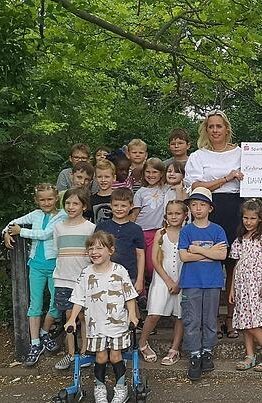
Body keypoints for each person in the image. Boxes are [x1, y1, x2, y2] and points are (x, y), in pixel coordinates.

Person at [185, 110, 243, 339]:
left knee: (233, 267)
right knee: (209, 264)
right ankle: (212, 319)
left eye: (219, 126)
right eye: (211, 127)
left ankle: (231, 318)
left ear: (227, 129)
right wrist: (227, 178)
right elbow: (197, 186)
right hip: (208, 210)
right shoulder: (198, 156)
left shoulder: (242, 152)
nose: (215, 130)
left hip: (236, 208)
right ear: (206, 130)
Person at [65, 231, 139, 403]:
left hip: (117, 323)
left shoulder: (119, 271)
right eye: (91, 248)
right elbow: (78, 298)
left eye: (99, 247)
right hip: (95, 325)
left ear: (110, 250)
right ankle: (100, 389)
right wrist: (72, 319)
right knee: (100, 356)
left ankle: (121, 388)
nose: (94, 251)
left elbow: (129, 295)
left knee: (115, 356)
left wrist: (133, 315)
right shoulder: (86, 273)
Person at [2, 183, 67, 366]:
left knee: (57, 303)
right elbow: (12, 223)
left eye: (50, 199)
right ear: (36, 201)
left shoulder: (61, 215)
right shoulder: (36, 215)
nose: (46, 203)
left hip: (55, 265)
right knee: (35, 304)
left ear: (56, 199)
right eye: (42, 200)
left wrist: (21, 231)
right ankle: (35, 343)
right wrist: (6, 232)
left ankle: (45, 332)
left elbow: (46, 234)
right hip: (36, 266)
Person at [178, 187, 229, 381]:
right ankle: (194, 354)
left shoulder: (217, 230)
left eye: (202, 205)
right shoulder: (187, 230)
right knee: (192, 319)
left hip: (212, 281)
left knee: (209, 318)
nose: (198, 209)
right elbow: (184, 256)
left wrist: (195, 249)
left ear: (210, 208)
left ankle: (207, 351)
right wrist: (209, 252)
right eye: (194, 205)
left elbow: (222, 255)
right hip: (191, 281)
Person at [231, 199, 262, 372]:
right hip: (242, 287)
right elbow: (237, 265)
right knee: (245, 322)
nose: (248, 222)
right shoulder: (240, 239)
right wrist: (232, 289)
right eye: (245, 218)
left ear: (260, 218)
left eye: (252, 218)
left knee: (254, 323)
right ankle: (250, 355)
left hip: (258, 285)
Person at [138, 200, 187, 366]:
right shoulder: (161, 233)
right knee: (154, 313)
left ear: (185, 215)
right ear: (166, 215)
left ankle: (174, 349)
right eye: (171, 213)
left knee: (179, 316)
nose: (174, 216)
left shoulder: (187, 233)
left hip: (181, 279)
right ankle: (143, 343)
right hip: (162, 279)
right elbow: (155, 260)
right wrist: (168, 281)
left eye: (178, 213)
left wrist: (179, 282)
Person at [52, 188, 95, 371]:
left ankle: (85, 352)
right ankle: (70, 353)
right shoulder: (58, 227)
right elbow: (57, 251)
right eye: (68, 203)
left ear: (84, 206)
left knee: (84, 316)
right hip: (62, 279)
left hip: (83, 280)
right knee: (69, 316)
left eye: (75, 203)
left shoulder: (90, 228)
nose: (71, 207)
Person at [133, 158, 178, 287]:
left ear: (161, 173)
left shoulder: (166, 189)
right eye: (148, 172)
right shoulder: (141, 192)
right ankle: (142, 292)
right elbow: (135, 214)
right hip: (141, 231)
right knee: (140, 263)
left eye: (155, 172)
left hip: (157, 231)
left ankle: (155, 288)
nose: (151, 175)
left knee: (152, 264)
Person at [96, 189, 146, 298]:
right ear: (111, 205)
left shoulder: (136, 229)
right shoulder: (102, 227)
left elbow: (140, 255)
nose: (119, 209)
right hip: (104, 274)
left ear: (131, 206)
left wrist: (140, 280)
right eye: (116, 205)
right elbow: (95, 251)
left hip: (129, 275)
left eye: (123, 206)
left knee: (129, 307)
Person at [87, 160, 116, 224]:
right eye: (99, 177)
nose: (103, 180)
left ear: (114, 178)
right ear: (95, 178)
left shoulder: (119, 198)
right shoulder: (90, 200)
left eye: (107, 177)